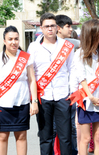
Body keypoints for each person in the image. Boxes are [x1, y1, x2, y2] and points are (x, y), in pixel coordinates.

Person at [27, 13, 74, 155]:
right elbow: (31, 75)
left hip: (62, 96)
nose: (50, 29)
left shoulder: (67, 46)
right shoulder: (33, 47)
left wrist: (71, 93)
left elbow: (72, 69)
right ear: (41, 28)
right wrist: (34, 100)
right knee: (45, 137)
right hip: (43, 96)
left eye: (52, 26)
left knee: (65, 137)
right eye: (46, 26)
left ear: (57, 27)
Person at [0, 25, 38, 155]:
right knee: (2, 137)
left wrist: (34, 101)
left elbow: (32, 80)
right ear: (4, 41)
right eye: (10, 39)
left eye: (16, 39)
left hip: (22, 103)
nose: (13, 42)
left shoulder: (26, 58)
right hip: (2, 104)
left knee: (21, 137)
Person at [71, 19, 99, 155]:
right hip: (85, 100)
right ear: (91, 34)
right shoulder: (79, 54)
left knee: (98, 137)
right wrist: (91, 97)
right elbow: (81, 78)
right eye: (98, 31)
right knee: (85, 138)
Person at [56, 14, 78, 155]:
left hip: (69, 92)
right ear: (58, 28)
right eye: (68, 26)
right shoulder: (42, 45)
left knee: (70, 128)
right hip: (53, 94)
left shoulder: (70, 44)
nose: (70, 29)